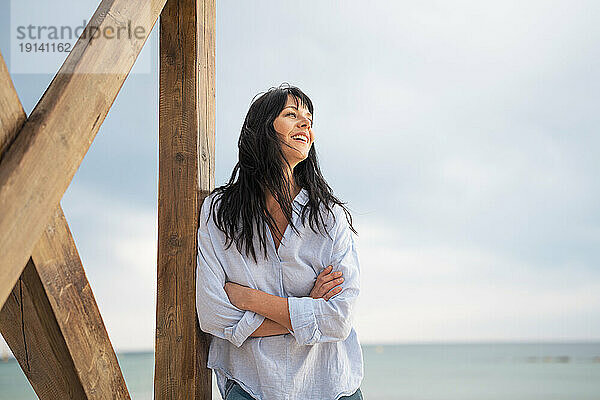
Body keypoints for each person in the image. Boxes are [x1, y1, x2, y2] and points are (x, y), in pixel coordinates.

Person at [195, 83, 364, 400]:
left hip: (330, 388)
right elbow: (214, 315)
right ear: (262, 128)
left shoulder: (330, 218)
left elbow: (339, 319)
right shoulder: (219, 214)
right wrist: (310, 310)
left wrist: (248, 299)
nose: (306, 125)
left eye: (309, 120)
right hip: (250, 387)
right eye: (292, 114)